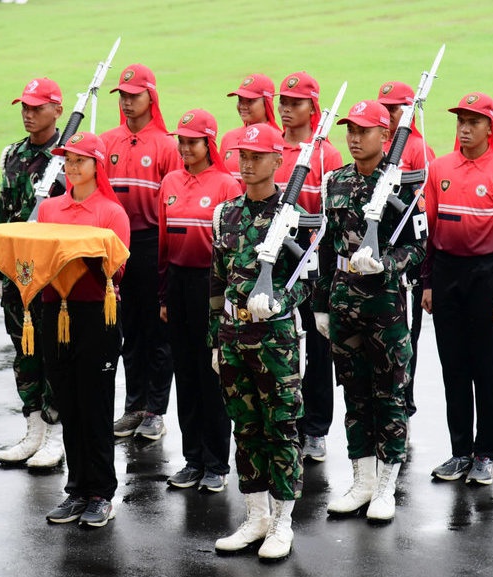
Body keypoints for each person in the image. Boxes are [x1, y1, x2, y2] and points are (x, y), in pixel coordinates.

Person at [316, 101, 426, 522]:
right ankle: (361, 480)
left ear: (385, 136)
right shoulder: (335, 182)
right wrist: (321, 305)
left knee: (389, 394)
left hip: (383, 303)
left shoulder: (400, 186)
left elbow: (417, 245)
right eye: (350, 130)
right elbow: (324, 250)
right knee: (354, 394)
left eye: (364, 131)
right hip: (344, 302)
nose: (355, 138)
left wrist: (388, 264)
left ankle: (386, 486)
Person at [211, 123, 310, 560]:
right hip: (234, 336)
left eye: (256, 156)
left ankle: (283, 521)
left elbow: (309, 277)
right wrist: (217, 339)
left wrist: (281, 298)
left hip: (275, 338)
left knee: (281, 429)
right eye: (241, 155)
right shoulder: (225, 214)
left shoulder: (293, 216)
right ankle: (256, 516)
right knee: (245, 427)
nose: (246, 163)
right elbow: (217, 281)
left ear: (278, 161)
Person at [421, 92, 493, 485]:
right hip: (446, 275)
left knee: (486, 368)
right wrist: (428, 283)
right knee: (454, 369)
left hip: (487, 276)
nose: (464, 128)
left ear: (489, 128)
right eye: (461, 121)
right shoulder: (440, 167)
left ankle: (486, 454)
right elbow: (429, 231)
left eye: (473, 122)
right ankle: (460, 451)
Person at [38, 131, 131, 528]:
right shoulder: (48, 209)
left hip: (97, 315)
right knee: (68, 403)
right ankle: (76, 489)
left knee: (95, 406)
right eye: (68, 160)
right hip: (55, 313)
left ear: (97, 165)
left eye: (80, 160)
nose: (72, 167)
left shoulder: (112, 213)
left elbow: (119, 269)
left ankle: (101, 493)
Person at [158, 109, 241, 493]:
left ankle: (216, 462)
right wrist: (163, 295)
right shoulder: (170, 181)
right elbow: (162, 245)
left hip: (211, 289)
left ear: (209, 142)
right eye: (182, 140)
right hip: (176, 286)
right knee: (186, 374)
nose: (185, 147)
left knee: (211, 376)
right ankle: (192, 458)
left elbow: (234, 252)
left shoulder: (227, 186)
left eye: (193, 141)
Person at [100, 63, 182, 440]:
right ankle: (133, 406)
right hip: (116, 244)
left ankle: (155, 410)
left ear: (152, 96)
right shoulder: (107, 141)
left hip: (152, 242)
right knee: (127, 329)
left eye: (135, 95)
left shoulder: (166, 145)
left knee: (157, 329)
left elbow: (175, 202)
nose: (128, 102)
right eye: (123, 95)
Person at [0, 78, 67, 469]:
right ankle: (33, 427)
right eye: (24, 106)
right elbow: (4, 212)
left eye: (37, 107)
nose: (27, 113)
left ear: (57, 110)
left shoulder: (70, 156)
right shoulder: (14, 155)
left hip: (53, 273)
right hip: (17, 271)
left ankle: (55, 433)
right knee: (24, 352)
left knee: (54, 353)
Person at [275, 71, 342, 464]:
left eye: (295, 102)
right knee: (280, 346)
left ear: (312, 106)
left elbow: (329, 218)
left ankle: (316, 429)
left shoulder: (325, 154)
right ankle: (286, 422)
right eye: (283, 101)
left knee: (318, 347)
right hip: (276, 263)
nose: (286, 108)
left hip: (313, 262)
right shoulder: (269, 145)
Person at [376, 81, 437, 421]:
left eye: (393, 109)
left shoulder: (417, 148)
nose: (386, 116)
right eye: (382, 108)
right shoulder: (375, 143)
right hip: (379, 247)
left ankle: (405, 398)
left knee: (408, 329)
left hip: (406, 250)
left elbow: (422, 207)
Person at [219, 73, 280, 185]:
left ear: (267, 102)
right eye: (240, 100)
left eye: (250, 101)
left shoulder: (279, 140)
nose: (243, 106)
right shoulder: (229, 138)